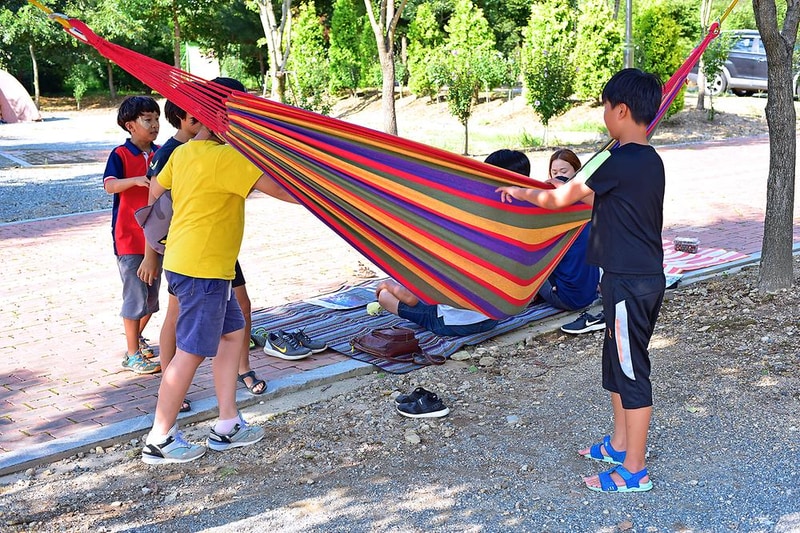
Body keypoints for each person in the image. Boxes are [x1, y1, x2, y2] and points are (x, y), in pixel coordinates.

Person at [496, 68, 665, 493]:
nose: (604, 116)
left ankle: (635, 470)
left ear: (620, 110)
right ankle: (619, 444)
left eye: (605, 108)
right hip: (632, 279)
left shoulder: (616, 161)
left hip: (630, 283)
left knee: (630, 370)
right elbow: (599, 199)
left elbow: (558, 198)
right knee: (616, 363)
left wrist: (519, 192)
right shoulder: (649, 160)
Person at [141, 77, 300, 464]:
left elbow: (155, 191)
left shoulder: (182, 154)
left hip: (191, 263)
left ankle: (228, 424)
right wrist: (329, 192)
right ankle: (159, 439)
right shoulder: (228, 158)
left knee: (232, 335)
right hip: (203, 270)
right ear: (228, 117)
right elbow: (283, 190)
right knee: (190, 352)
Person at [138, 100, 265, 409]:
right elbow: (155, 207)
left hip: (207, 254)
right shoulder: (190, 154)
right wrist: (150, 254)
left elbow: (157, 191)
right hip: (199, 259)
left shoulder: (194, 153)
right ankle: (165, 419)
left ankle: (228, 415)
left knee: (233, 328)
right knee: (189, 344)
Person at [484, 148, 601, 318]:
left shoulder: (541, 208)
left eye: (564, 172)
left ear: (578, 172)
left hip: (566, 296)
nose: (558, 177)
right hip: (588, 292)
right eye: (554, 172)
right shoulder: (587, 204)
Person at [102, 95, 162, 375]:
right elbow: (109, 186)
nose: (155, 125)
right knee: (135, 296)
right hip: (129, 238)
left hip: (157, 237)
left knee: (151, 299)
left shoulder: (162, 152)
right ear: (130, 125)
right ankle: (132, 354)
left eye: (157, 119)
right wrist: (136, 180)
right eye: (147, 120)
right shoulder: (120, 155)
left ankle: (135, 339)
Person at [374, 280, 497, 337]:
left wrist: (387, 284)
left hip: (455, 325)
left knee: (385, 295)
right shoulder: (484, 249)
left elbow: (411, 299)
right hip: (491, 319)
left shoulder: (435, 257)